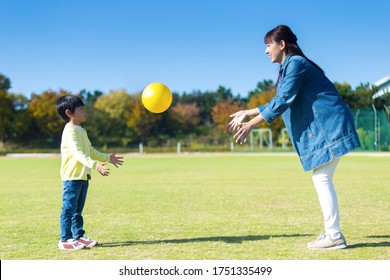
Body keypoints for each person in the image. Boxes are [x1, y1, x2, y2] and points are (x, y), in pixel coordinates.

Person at [227, 25, 360, 250]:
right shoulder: (290, 66)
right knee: (321, 179)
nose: (265, 51)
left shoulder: (297, 63)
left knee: (322, 179)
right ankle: (332, 232)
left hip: (329, 127)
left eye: (268, 45)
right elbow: (280, 98)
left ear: (281, 44)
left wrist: (251, 124)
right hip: (328, 126)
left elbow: (283, 100)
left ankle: (334, 236)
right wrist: (248, 112)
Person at [56, 95, 124, 250]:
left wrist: (107, 157)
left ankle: (78, 236)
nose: (84, 110)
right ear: (69, 112)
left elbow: (90, 151)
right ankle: (65, 239)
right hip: (72, 177)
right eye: (81, 108)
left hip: (82, 177)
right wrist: (96, 166)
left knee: (77, 210)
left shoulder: (81, 131)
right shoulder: (70, 132)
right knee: (68, 209)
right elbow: (79, 154)